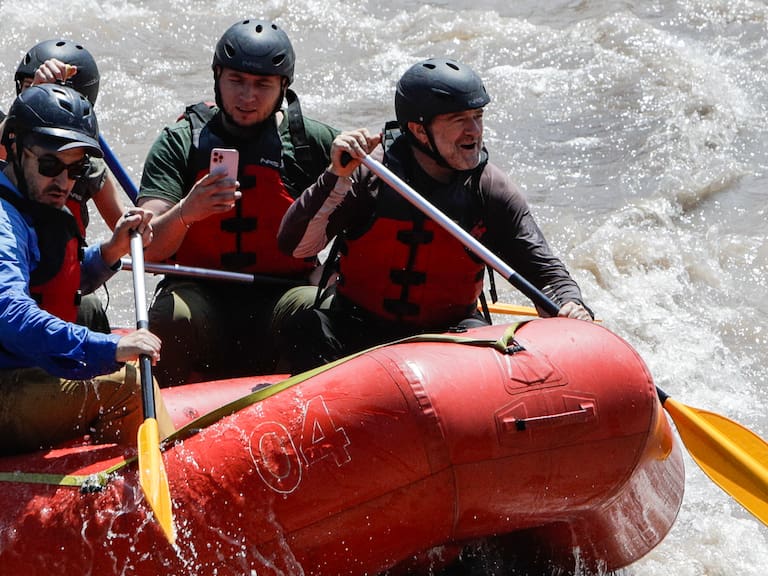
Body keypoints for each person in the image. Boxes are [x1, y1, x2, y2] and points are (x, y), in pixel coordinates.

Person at [276, 57, 594, 374]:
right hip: (360, 326)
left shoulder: (489, 190)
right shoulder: (369, 175)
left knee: (496, 347)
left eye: (478, 116)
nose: (474, 131)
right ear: (419, 130)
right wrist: (335, 176)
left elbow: (544, 270)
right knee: (305, 325)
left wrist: (570, 304)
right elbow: (296, 246)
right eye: (458, 119)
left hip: (451, 333)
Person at [137, 18, 338, 387]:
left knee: (321, 307)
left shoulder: (313, 142)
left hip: (281, 297)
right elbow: (145, 250)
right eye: (236, 81)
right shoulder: (180, 141)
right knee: (171, 315)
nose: (247, 97)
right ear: (217, 77)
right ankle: (167, 409)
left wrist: (335, 273)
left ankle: (311, 410)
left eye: (262, 84)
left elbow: (373, 208)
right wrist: (185, 213)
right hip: (200, 298)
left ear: (283, 87)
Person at [0, 82, 173, 455]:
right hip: (6, 387)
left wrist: (111, 249)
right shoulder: (3, 221)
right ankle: (160, 501)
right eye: (49, 165)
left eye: (76, 168)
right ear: (14, 148)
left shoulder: (29, 203)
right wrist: (109, 347)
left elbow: (57, 281)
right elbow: (10, 314)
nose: (63, 182)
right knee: (128, 383)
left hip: (21, 372)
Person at [3, 39, 130, 333]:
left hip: (60, 279)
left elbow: (129, 228)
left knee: (89, 307)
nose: (63, 178)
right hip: (20, 318)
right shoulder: (12, 144)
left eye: (73, 168)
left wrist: (185, 212)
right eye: (27, 88)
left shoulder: (88, 163)